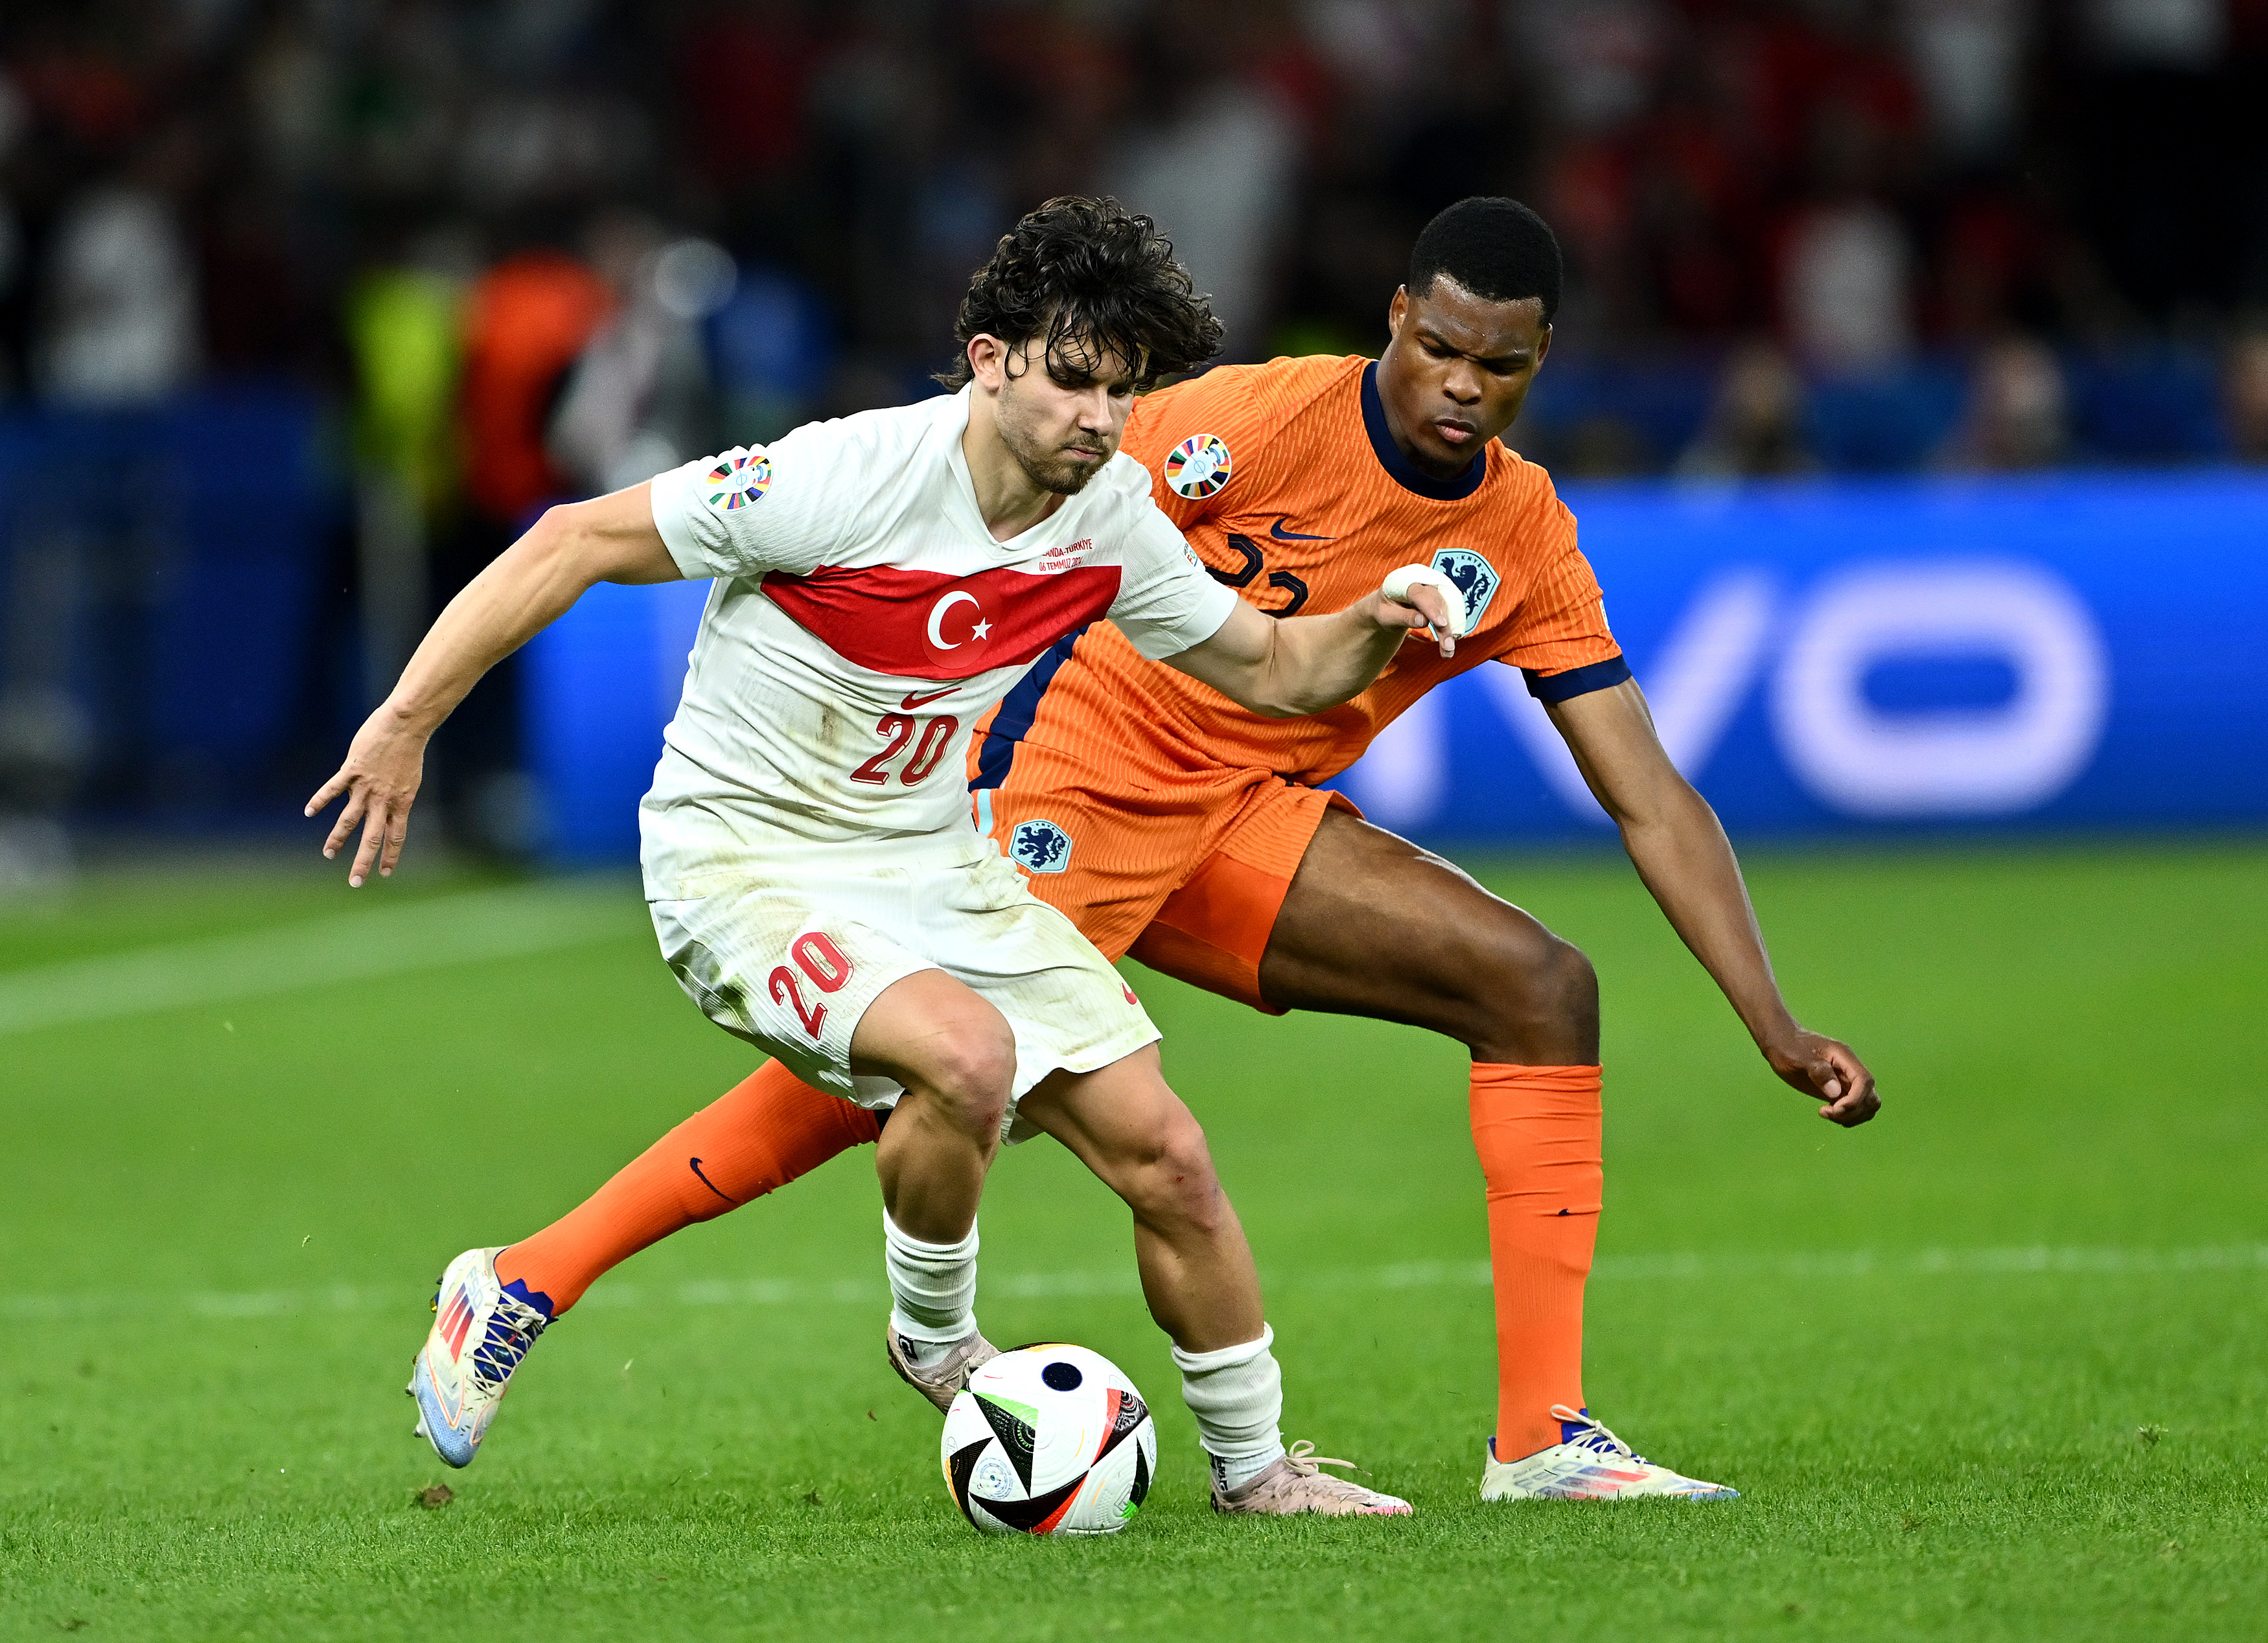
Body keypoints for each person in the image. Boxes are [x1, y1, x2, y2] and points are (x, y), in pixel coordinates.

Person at [454, 197, 1882, 1505]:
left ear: (1537, 361)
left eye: (1495, 366)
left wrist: (1769, 1018)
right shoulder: (1247, 418)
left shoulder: (1520, 528)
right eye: (1439, 347)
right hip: (1077, 777)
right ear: (1395, 320)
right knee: (924, 1069)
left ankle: (1541, 1436)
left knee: (1537, 985)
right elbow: (1009, 493)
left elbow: (1649, 792)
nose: (1461, 383)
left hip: (1251, 816)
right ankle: (533, 1275)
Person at [308, 197, 1455, 1518]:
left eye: (1120, 389)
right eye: (1072, 377)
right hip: (743, 859)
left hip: (932, 860)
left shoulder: (1113, 512)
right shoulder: (839, 476)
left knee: (1169, 1155)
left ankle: (1256, 1471)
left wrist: (1374, 621)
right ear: (989, 359)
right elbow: (570, 541)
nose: (1097, 415)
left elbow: (1268, 663)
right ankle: (937, 1340)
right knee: (962, 1056)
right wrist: (403, 723)